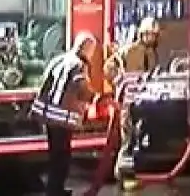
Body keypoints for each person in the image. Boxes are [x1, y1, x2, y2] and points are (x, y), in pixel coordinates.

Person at [31, 32, 99, 196]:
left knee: (55, 155)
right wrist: (97, 98)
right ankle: (55, 190)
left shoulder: (58, 60)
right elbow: (81, 88)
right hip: (62, 118)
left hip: (48, 115)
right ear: (86, 48)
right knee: (62, 157)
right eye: (92, 49)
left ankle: (54, 189)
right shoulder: (78, 65)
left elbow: (44, 83)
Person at [105, 17, 161, 189]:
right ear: (141, 34)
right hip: (128, 102)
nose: (151, 38)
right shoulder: (129, 51)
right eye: (148, 35)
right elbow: (109, 67)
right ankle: (122, 176)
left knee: (138, 138)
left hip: (143, 102)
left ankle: (131, 173)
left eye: (154, 35)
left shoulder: (153, 55)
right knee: (127, 139)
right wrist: (120, 82)